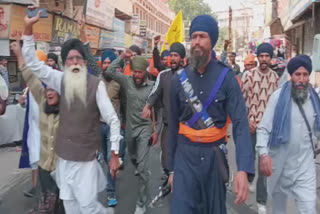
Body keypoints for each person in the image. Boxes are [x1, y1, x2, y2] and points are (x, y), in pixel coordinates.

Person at [22, 8, 121, 213]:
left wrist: (114, 154)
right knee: (70, 205)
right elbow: (32, 63)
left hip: (86, 160)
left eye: (78, 58)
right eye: (70, 59)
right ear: (65, 63)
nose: (74, 62)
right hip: (64, 159)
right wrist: (28, 27)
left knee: (88, 208)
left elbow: (113, 119)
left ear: (84, 62)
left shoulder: (96, 85)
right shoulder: (60, 80)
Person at [167, 15, 254, 214]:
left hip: (214, 159)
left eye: (202, 36)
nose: (197, 41)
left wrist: (243, 168)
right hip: (184, 157)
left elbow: (240, 124)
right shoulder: (178, 79)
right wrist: (171, 169)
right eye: (194, 36)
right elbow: (172, 126)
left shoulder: (227, 77)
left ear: (212, 40)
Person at [257, 55, 320, 214]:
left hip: (305, 166)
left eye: (305, 75)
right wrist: (264, 154)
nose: (301, 79)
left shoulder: (315, 99)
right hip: (279, 165)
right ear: (291, 76)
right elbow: (263, 129)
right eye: (297, 75)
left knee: (309, 208)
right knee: (279, 210)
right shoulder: (278, 98)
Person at [11, 41, 65, 214]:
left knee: (64, 199)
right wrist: (19, 54)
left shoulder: (68, 107)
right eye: (46, 89)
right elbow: (27, 73)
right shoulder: (39, 94)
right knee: (44, 190)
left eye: (52, 89)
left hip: (63, 163)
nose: (49, 92)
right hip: (43, 154)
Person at [106, 52, 162, 214]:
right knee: (134, 158)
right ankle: (139, 164)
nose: (136, 75)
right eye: (134, 72)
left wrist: (156, 131)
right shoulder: (127, 80)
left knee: (143, 168)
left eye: (139, 72)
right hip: (130, 129)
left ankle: (140, 201)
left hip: (145, 129)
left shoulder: (153, 86)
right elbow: (110, 72)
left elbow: (160, 110)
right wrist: (122, 57)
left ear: (145, 71)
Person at [241, 42, 279, 214]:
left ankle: (261, 201)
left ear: (271, 58)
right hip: (250, 126)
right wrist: (246, 120)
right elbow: (240, 102)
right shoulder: (248, 76)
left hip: (267, 129)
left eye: (267, 56)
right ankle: (249, 177)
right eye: (261, 56)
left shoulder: (276, 79)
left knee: (264, 164)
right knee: (249, 158)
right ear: (257, 57)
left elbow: (278, 105)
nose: (264, 59)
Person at [142, 42, 186, 179]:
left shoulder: (189, 76)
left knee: (184, 156)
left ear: (182, 59)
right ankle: (169, 176)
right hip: (168, 126)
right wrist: (148, 105)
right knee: (167, 155)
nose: (172, 59)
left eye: (176, 56)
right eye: (171, 55)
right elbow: (154, 93)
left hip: (186, 127)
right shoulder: (163, 75)